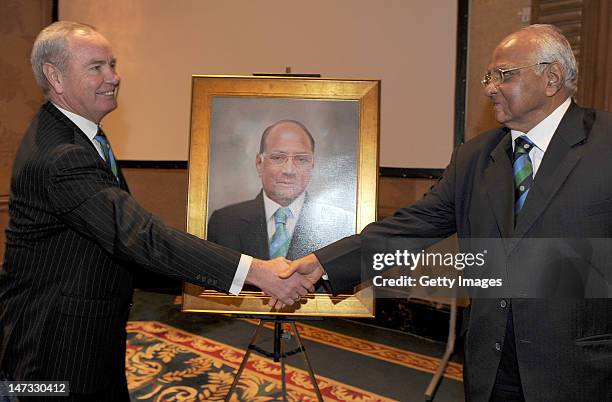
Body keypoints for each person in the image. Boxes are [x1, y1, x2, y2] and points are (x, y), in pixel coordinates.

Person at [282, 24, 612, 401]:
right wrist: (324, 263)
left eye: (503, 75)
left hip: (582, 369)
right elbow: (413, 225)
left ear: (551, 77)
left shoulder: (605, 144)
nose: (489, 87)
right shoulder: (475, 156)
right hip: (492, 366)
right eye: (488, 76)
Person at [0, 21, 315, 401]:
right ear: (56, 76)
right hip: (54, 350)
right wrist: (257, 271)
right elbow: (139, 235)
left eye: (112, 65)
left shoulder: (78, 133)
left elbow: (116, 240)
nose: (114, 77)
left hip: (86, 331)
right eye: (96, 67)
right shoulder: (62, 156)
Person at [207, 119, 354, 265]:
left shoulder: (341, 225)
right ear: (259, 164)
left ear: (312, 165)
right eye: (278, 158)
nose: (289, 171)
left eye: (301, 159)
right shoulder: (224, 223)